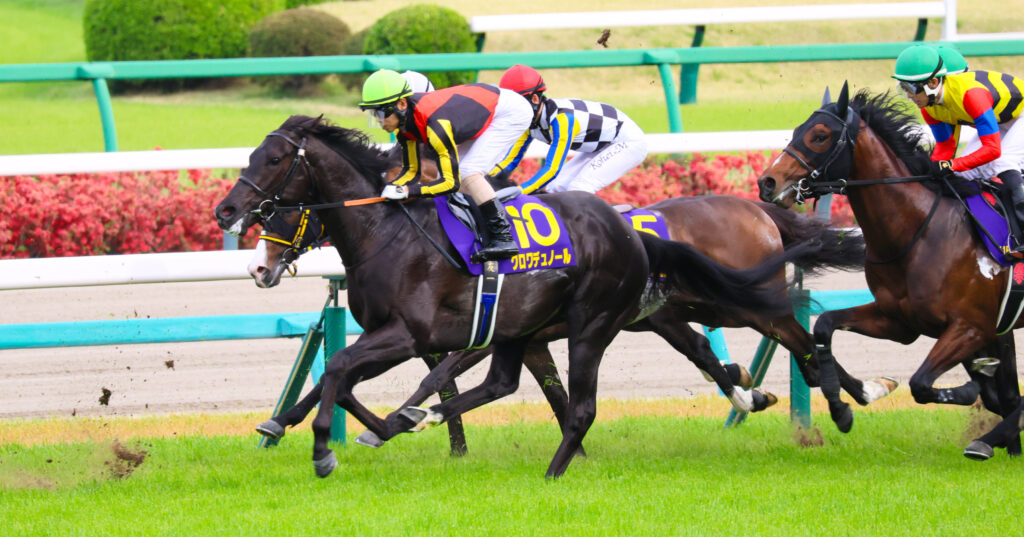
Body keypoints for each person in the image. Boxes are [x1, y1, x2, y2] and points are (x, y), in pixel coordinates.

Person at [359, 69, 531, 262]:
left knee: (467, 172)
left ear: (401, 104)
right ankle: (481, 227)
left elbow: (450, 183)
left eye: (382, 112)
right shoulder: (406, 128)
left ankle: (504, 237)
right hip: (485, 105)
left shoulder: (435, 124)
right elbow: (411, 171)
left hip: (510, 111)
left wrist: (409, 191)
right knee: (463, 174)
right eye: (374, 113)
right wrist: (387, 190)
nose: (379, 120)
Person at [893, 44, 1024, 252]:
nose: (908, 96)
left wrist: (951, 165)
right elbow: (946, 147)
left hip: (1020, 116)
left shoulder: (971, 96)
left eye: (910, 89)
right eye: (903, 88)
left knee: (1002, 161)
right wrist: (928, 173)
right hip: (1001, 119)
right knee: (967, 172)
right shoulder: (930, 107)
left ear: (933, 83)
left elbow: (992, 150)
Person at [491, 64, 648, 195]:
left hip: (628, 142)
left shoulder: (563, 120)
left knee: (580, 187)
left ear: (535, 99)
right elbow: (510, 161)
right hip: (599, 144)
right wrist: (483, 180)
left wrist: (518, 191)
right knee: (555, 189)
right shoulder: (528, 122)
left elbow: (552, 169)